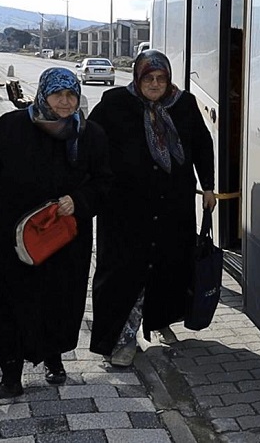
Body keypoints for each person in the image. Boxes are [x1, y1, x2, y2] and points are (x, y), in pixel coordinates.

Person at [0, 67, 111, 399]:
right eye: (58, 95)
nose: (66, 103)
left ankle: (54, 359)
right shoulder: (14, 126)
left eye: (71, 95)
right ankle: (11, 374)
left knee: (59, 302)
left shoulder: (91, 134)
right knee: (9, 302)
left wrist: (79, 200)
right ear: (44, 94)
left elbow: (105, 182)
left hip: (63, 238)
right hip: (10, 236)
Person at [88, 49, 216, 366]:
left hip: (173, 204)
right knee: (123, 272)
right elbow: (91, 142)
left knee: (168, 264)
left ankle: (158, 320)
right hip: (124, 207)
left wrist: (209, 186)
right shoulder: (115, 103)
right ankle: (121, 340)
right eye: (149, 77)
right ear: (138, 77)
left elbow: (202, 143)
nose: (156, 84)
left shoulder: (183, 103)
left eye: (161, 78)